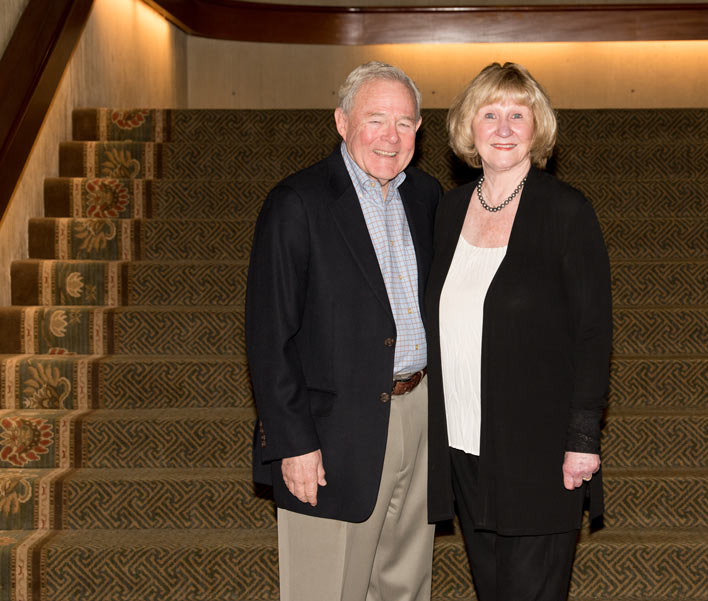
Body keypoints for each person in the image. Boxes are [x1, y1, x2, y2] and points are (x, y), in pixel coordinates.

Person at [245, 61, 441, 601]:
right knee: (324, 591)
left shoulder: (426, 196)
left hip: (419, 414)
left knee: (406, 585)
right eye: (375, 119)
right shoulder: (298, 202)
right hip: (330, 436)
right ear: (341, 122)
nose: (390, 136)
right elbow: (270, 337)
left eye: (405, 123)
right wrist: (294, 443)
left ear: (419, 131)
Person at [425, 62, 612, 601]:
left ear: (538, 129)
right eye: (490, 114)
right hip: (465, 446)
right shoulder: (449, 210)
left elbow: (593, 332)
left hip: (540, 452)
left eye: (517, 114)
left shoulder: (565, 211)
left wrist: (581, 439)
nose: (503, 127)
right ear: (469, 128)